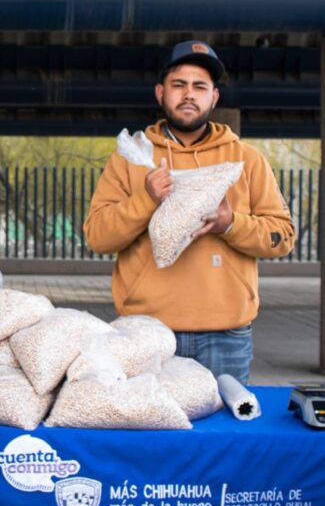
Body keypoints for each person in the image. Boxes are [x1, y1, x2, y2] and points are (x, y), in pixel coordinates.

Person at [84, 40, 295, 385]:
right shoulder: (129, 160)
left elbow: (282, 238)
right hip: (146, 331)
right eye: (178, 85)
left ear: (214, 98)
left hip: (225, 335)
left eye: (200, 87)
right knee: (152, 436)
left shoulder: (246, 160)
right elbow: (98, 237)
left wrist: (230, 224)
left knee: (224, 437)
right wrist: (147, 199)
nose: (188, 95)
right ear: (160, 93)